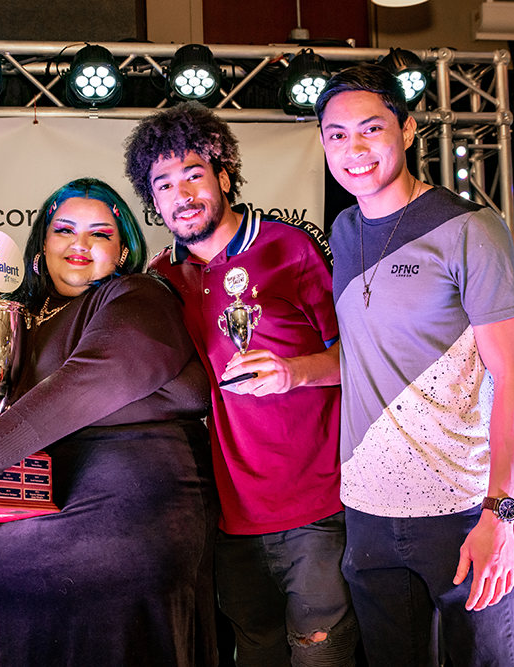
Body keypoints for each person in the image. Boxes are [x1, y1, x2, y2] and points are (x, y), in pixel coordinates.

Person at [0, 178, 219, 667]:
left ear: (122, 251)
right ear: (42, 245)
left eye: (100, 234)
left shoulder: (139, 294)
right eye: (64, 230)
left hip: (121, 559)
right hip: (12, 573)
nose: (79, 244)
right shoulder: (18, 316)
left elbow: (104, 374)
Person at [314, 64, 514, 667]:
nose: (352, 149)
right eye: (336, 134)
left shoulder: (470, 229)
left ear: (408, 130)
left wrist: (501, 514)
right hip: (367, 511)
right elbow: (367, 356)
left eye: (370, 129)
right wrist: (292, 372)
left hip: (460, 511)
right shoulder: (344, 230)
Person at [124, 102, 358, 667]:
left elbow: (359, 360)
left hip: (318, 512)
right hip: (228, 522)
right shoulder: (160, 281)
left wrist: (293, 371)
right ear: (152, 201)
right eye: (164, 184)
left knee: (320, 658)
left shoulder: (287, 248)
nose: (181, 194)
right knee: (254, 654)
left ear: (223, 176)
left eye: (193, 175)